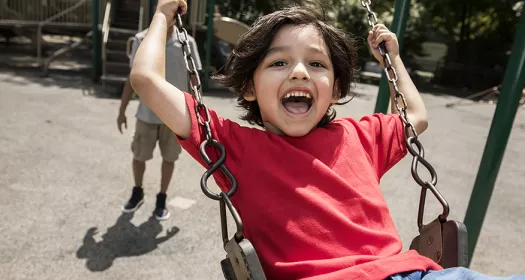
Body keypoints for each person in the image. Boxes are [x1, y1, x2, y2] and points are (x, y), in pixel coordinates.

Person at [129, 0, 525, 279]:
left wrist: (394, 60)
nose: (300, 72)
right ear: (249, 87)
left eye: (316, 64)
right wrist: (163, 16)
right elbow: (147, 81)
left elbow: (416, 116)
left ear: (334, 89)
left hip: (408, 275)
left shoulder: (360, 136)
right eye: (280, 62)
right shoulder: (234, 148)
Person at [118, 24, 202, 220]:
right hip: (147, 114)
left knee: (169, 158)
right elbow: (132, 77)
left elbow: (194, 80)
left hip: (176, 116)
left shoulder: (187, 42)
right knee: (139, 155)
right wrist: (122, 110)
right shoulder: (142, 39)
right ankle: (137, 191)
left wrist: (197, 112)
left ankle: (162, 198)